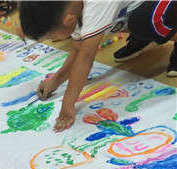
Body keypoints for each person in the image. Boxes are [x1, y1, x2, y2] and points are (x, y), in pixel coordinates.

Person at [19, 1, 177, 131]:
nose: (51, 39)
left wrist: (68, 104)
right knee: (128, 21)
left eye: (50, 36)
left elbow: (86, 57)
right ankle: (142, 34)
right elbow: (78, 50)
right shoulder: (73, 8)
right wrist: (55, 81)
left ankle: (153, 31)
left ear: (68, 20)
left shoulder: (96, 5)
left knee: (144, 21)